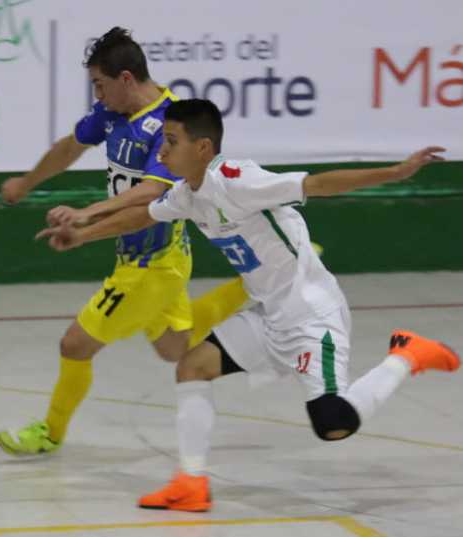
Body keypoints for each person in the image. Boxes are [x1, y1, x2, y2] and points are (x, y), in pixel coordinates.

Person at [37, 98, 460, 511]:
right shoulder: (188, 194)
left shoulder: (240, 181)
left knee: (333, 424)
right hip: (266, 315)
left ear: (202, 148)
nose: (162, 150)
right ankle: (191, 483)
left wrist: (397, 172)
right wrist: (82, 229)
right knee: (192, 366)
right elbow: (145, 213)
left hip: (311, 314)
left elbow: (318, 184)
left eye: (171, 141)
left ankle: (406, 356)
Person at [0, 31, 247, 455]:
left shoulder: (170, 125)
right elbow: (71, 146)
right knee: (174, 349)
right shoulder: (112, 113)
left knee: (74, 344)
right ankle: (252, 285)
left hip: (151, 265)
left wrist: (86, 216)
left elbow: (152, 193)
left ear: (126, 78)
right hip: (158, 258)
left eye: (99, 84)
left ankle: (50, 433)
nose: (97, 93)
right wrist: (27, 181)